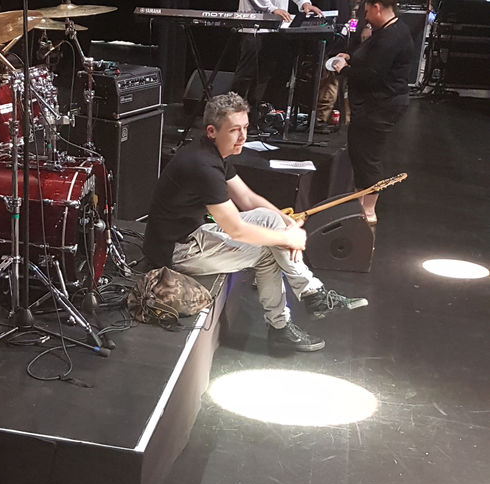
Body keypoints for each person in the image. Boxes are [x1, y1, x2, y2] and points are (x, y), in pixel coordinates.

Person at [143, 93, 367, 352]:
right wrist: (287, 238)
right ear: (212, 131)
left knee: (270, 220)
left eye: (245, 127)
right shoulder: (202, 165)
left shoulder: (211, 151)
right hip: (176, 252)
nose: (242, 136)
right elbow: (235, 229)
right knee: (267, 252)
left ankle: (311, 295)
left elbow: (248, 199)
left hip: (193, 235)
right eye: (234, 130)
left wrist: (287, 223)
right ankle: (288, 319)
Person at [330, 0, 413, 223]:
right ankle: (360, 205)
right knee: (361, 152)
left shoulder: (392, 37)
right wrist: (351, 57)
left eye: (367, 11)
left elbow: (372, 75)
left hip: (381, 105)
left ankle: (368, 211)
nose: (365, 17)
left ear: (377, 7)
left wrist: (344, 70)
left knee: (368, 156)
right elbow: (368, 58)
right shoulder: (388, 31)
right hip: (375, 104)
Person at [231, 0, 324, 128]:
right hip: (253, 26)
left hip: (275, 27)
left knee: (264, 75)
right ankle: (231, 116)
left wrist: (304, 3)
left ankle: (252, 119)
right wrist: (272, 9)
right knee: (246, 74)